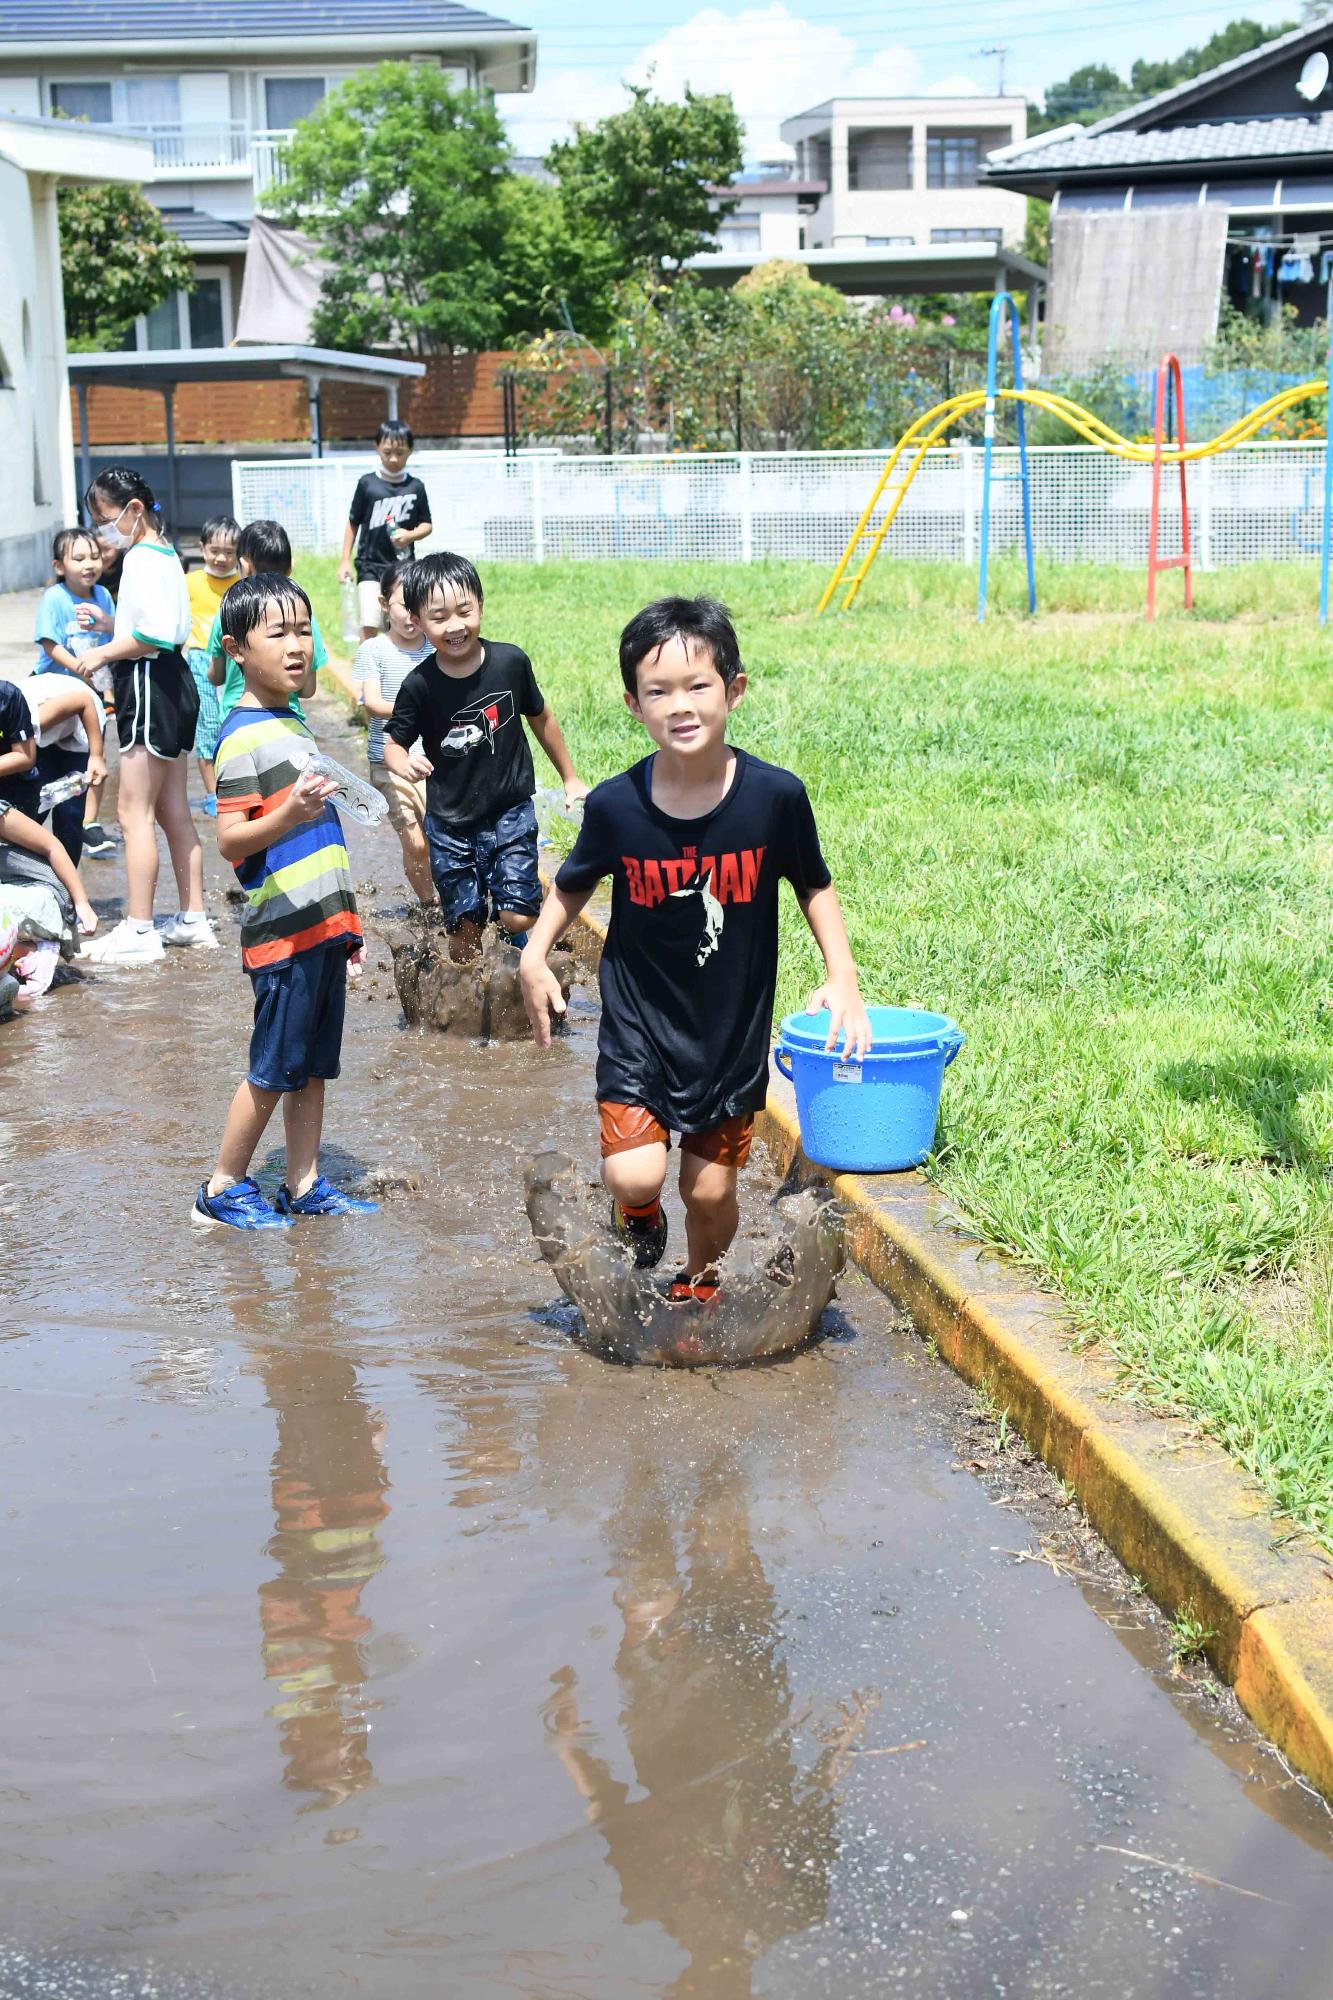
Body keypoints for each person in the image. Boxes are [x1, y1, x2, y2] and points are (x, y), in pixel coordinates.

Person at [520, 596, 872, 1303]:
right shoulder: (618, 806)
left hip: (727, 1031)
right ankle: (638, 1217)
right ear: (632, 704)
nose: (679, 706)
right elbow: (572, 885)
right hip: (639, 1021)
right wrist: (534, 956)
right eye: (658, 691)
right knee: (635, 1175)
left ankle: (700, 1279)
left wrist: (844, 978)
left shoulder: (774, 798)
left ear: (733, 689)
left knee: (709, 1191)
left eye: (697, 685)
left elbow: (813, 886)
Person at [194, 573, 378, 1231]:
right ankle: (222, 1185)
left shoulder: (290, 722)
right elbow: (230, 838)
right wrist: (291, 812)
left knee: (311, 1068)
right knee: (273, 1069)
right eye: (279, 634)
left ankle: (303, 1185)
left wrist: (346, 929)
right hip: (281, 934)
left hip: (320, 929)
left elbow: (327, 840)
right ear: (238, 649)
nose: (297, 645)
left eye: (303, 630)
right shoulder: (242, 737)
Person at [380, 551, 587, 962]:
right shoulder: (419, 685)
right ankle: (469, 1009)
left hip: (509, 810)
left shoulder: (510, 663)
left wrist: (570, 777)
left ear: (480, 605)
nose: (455, 626)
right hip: (450, 825)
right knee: (465, 933)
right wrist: (401, 762)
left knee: (516, 917)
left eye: (464, 611)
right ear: (418, 622)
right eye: (439, 617)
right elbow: (393, 743)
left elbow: (541, 717)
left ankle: (524, 953)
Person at [75, 467, 214, 966]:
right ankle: (193, 918)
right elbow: (164, 628)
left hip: (149, 684)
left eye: (104, 518)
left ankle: (138, 927)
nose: (101, 531)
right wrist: (117, 626)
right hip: (175, 683)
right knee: (174, 807)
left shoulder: (138, 557)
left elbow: (151, 638)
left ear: (134, 511)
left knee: (133, 813)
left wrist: (103, 652)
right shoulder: (165, 554)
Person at [32, 527, 117, 857]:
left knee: (74, 791)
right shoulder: (55, 598)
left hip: (88, 708)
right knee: (39, 786)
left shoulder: (103, 597)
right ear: (59, 566)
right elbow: (49, 644)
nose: (89, 564)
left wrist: (107, 695)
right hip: (52, 703)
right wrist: (81, 667)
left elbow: (110, 647)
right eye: (79, 558)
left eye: (94, 556)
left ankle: (72, 858)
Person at [354, 564, 434, 906]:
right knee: (414, 840)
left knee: (440, 836)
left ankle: (450, 900)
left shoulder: (435, 648)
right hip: (389, 761)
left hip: (434, 760)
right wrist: (416, 708)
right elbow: (371, 703)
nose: (413, 615)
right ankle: (430, 904)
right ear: (385, 604)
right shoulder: (374, 650)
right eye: (405, 605)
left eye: (421, 605)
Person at [206, 519, 326, 723]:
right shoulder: (301, 618)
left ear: (244, 565)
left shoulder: (227, 614)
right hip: (289, 719)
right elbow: (307, 689)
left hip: (237, 718)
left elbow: (217, 677)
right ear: (291, 566)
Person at [337, 419, 433, 641]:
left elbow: (427, 524)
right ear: (377, 447)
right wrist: (344, 560)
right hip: (370, 566)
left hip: (403, 569)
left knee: (400, 622)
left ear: (410, 450)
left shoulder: (415, 487)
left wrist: (410, 535)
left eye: (400, 452)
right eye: (387, 451)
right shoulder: (367, 484)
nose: (393, 458)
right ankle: (366, 668)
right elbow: (353, 522)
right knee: (369, 621)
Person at [18, 675, 108, 867]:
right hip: (40, 733)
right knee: (30, 807)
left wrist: (97, 756)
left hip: (81, 720)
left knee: (69, 813)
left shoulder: (26, 720)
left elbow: (83, 700)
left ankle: (67, 890)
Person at [185, 513, 240, 818]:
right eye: (215, 550)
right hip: (199, 660)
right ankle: (211, 794)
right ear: (202, 547)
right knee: (207, 727)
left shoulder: (242, 583)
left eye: (229, 553)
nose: (221, 558)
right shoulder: (190, 583)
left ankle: (236, 786)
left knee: (233, 723)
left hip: (234, 660)